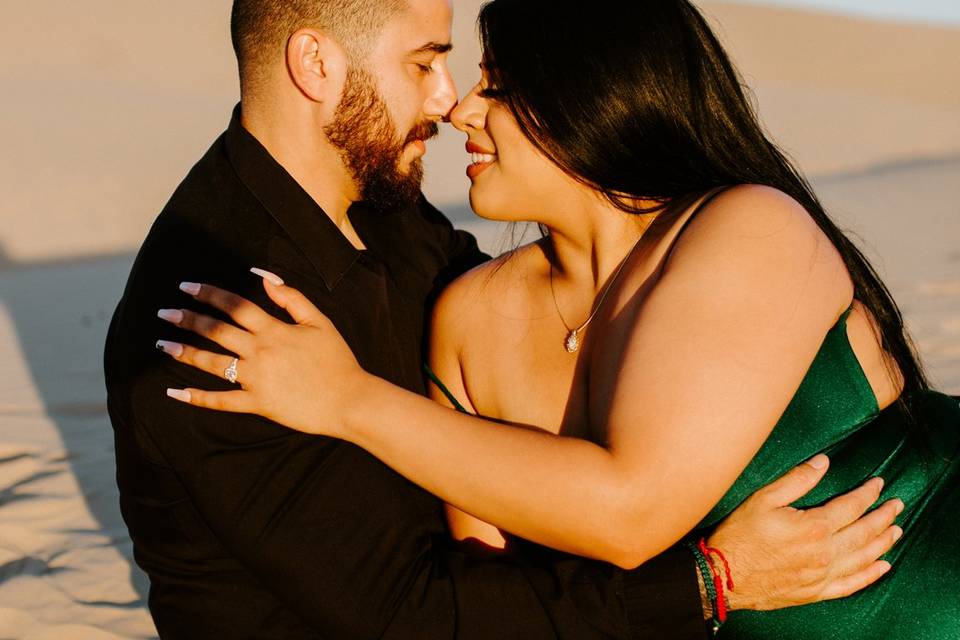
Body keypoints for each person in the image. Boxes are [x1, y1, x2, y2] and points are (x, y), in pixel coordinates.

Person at [157, 0, 960, 638]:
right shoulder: (468, 318)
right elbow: (492, 591)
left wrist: (345, 400)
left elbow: (631, 513)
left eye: (496, 85)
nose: (462, 111)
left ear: (588, 95)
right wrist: (711, 585)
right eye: (446, 70)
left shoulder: (748, 228)